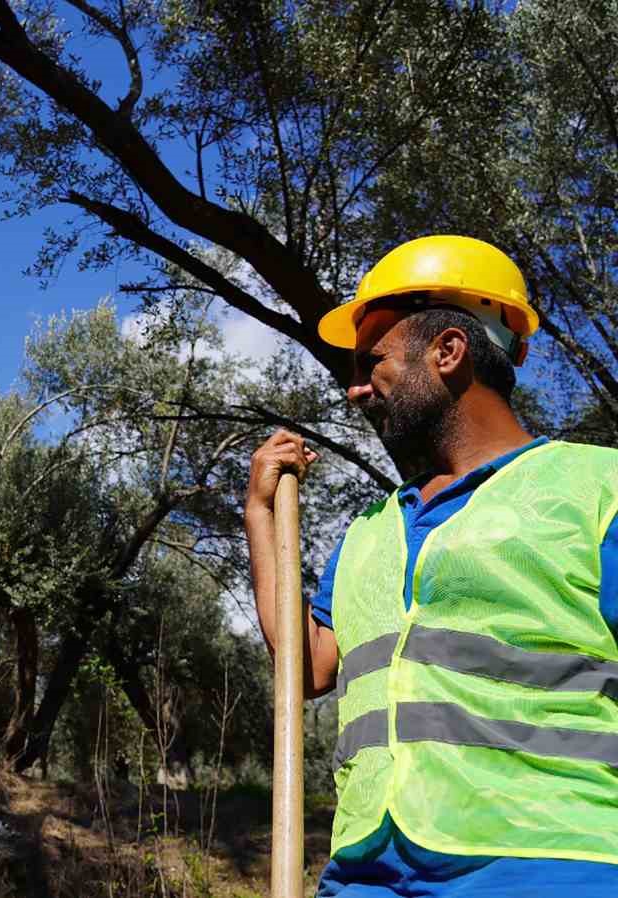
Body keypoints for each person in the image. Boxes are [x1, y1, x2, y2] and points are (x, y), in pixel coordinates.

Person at [245, 235, 618, 896]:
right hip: (364, 875)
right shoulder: (370, 530)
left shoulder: (598, 488)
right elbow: (303, 671)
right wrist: (259, 514)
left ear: (448, 352)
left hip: (546, 864)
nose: (356, 388)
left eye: (374, 361)